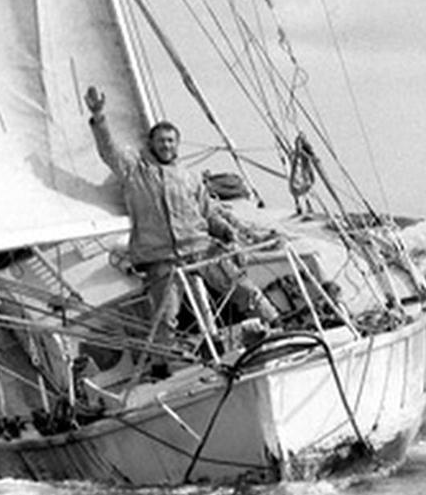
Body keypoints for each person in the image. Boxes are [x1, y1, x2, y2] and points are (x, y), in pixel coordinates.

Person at [83, 87, 279, 368]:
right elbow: (109, 151)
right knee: (166, 315)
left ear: (178, 144)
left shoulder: (189, 177)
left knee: (239, 285)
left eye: (171, 140)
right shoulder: (135, 170)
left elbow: (207, 211)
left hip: (199, 246)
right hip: (161, 255)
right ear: (151, 144)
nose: (166, 145)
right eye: (161, 141)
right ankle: (161, 365)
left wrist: (224, 229)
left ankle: (276, 322)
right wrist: (99, 116)